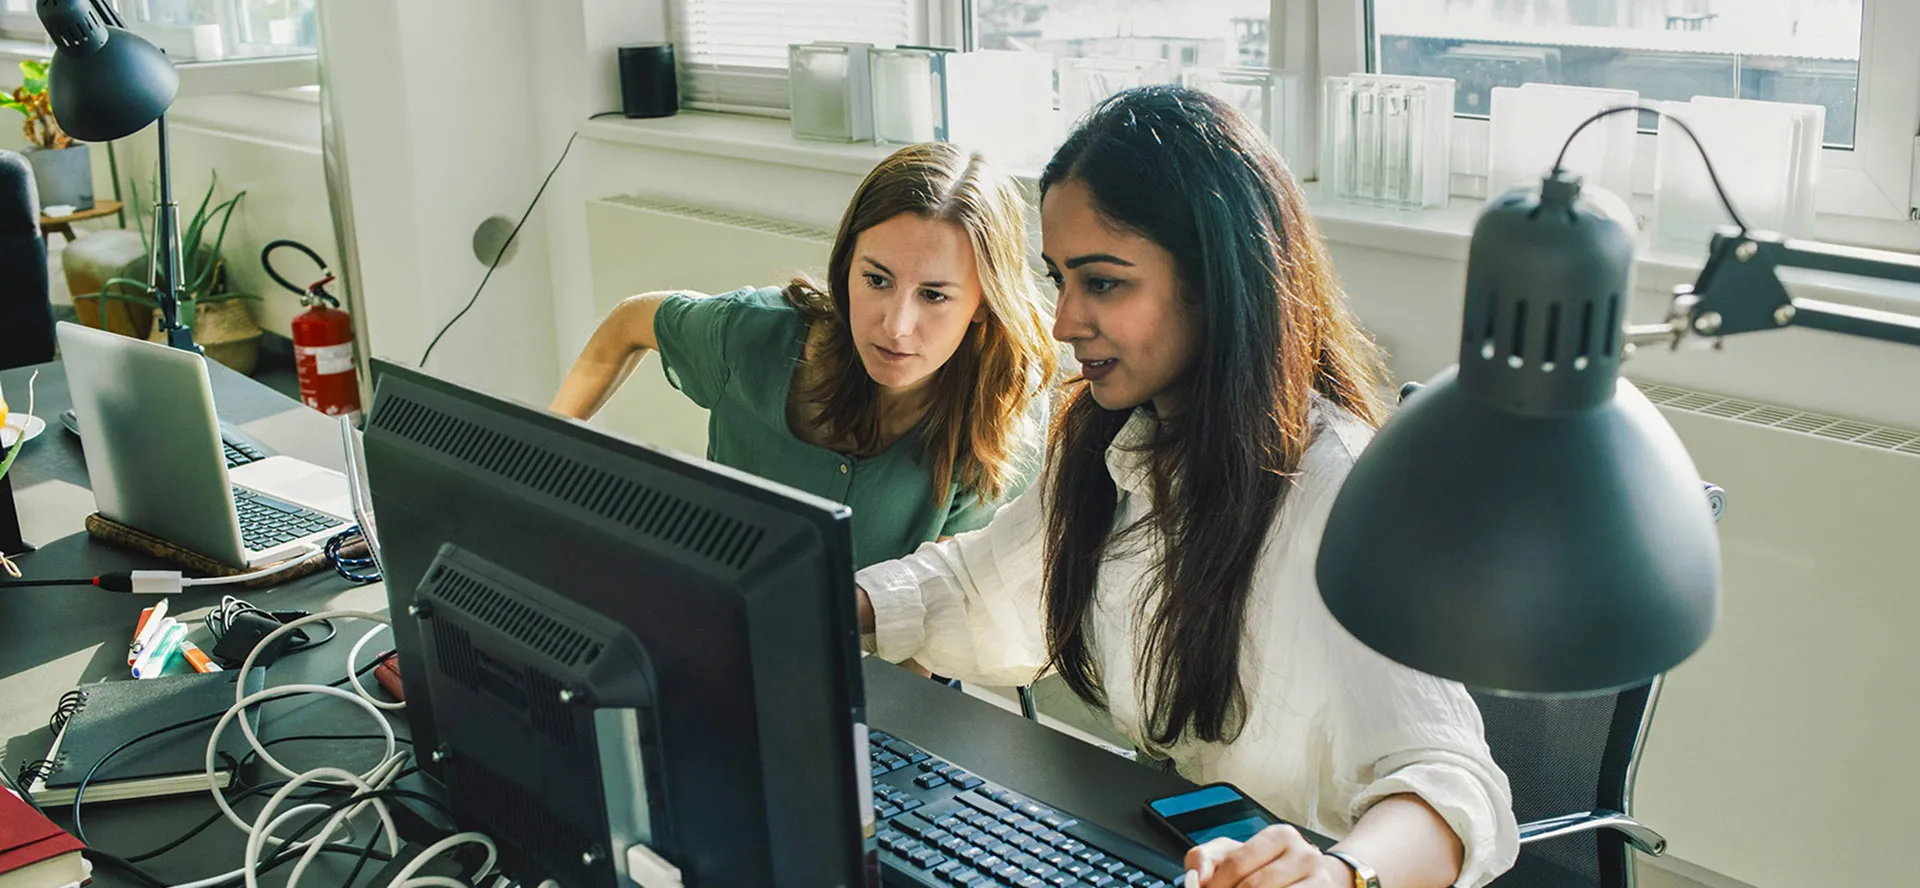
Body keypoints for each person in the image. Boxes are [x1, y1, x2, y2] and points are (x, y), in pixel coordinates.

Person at [854, 88, 1519, 888]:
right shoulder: (1118, 436)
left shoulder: (1336, 486)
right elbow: (977, 585)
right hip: (1183, 857)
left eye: (1102, 283)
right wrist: (817, 600)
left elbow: (1452, 783)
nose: (1063, 320)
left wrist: (1344, 877)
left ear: (1213, 279)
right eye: (1060, 277)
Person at [553, 142, 1057, 570]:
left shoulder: (1006, 412)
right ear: (846, 269)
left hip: (884, 663)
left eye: (934, 295)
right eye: (876, 280)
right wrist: (545, 454)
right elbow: (627, 323)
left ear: (983, 304)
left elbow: (936, 615)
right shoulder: (752, 334)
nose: (896, 325)